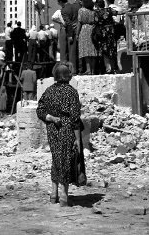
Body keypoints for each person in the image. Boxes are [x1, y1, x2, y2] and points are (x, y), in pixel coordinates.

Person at [36, 62, 85, 207]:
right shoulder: (71, 92)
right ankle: (64, 195)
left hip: (52, 128)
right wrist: (78, 139)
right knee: (66, 160)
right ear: (66, 76)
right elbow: (75, 117)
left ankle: (53, 193)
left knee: (56, 158)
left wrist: (50, 117)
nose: (71, 75)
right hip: (67, 128)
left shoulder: (49, 90)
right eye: (69, 73)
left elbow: (40, 110)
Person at [94, 0, 117, 74]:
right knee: (111, 49)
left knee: (104, 51)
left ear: (97, 5)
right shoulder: (109, 10)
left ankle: (108, 68)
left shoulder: (96, 12)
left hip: (102, 33)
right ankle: (113, 67)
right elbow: (117, 12)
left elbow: (95, 22)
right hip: (110, 32)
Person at [76, 0, 97, 75]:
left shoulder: (81, 10)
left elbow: (79, 22)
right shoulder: (93, 11)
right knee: (92, 51)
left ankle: (88, 69)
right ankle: (93, 70)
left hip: (84, 30)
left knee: (86, 51)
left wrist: (77, 34)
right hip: (92, 29)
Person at [59, 0, 80, 69]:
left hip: (70, 31)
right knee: (74, 52)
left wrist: (70, 35)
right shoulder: (75, 7)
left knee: (68, 52)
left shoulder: (64, 10)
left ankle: (70, 70)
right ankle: (75, 69)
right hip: (77, 29)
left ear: (61, 2)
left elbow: (68, 23)